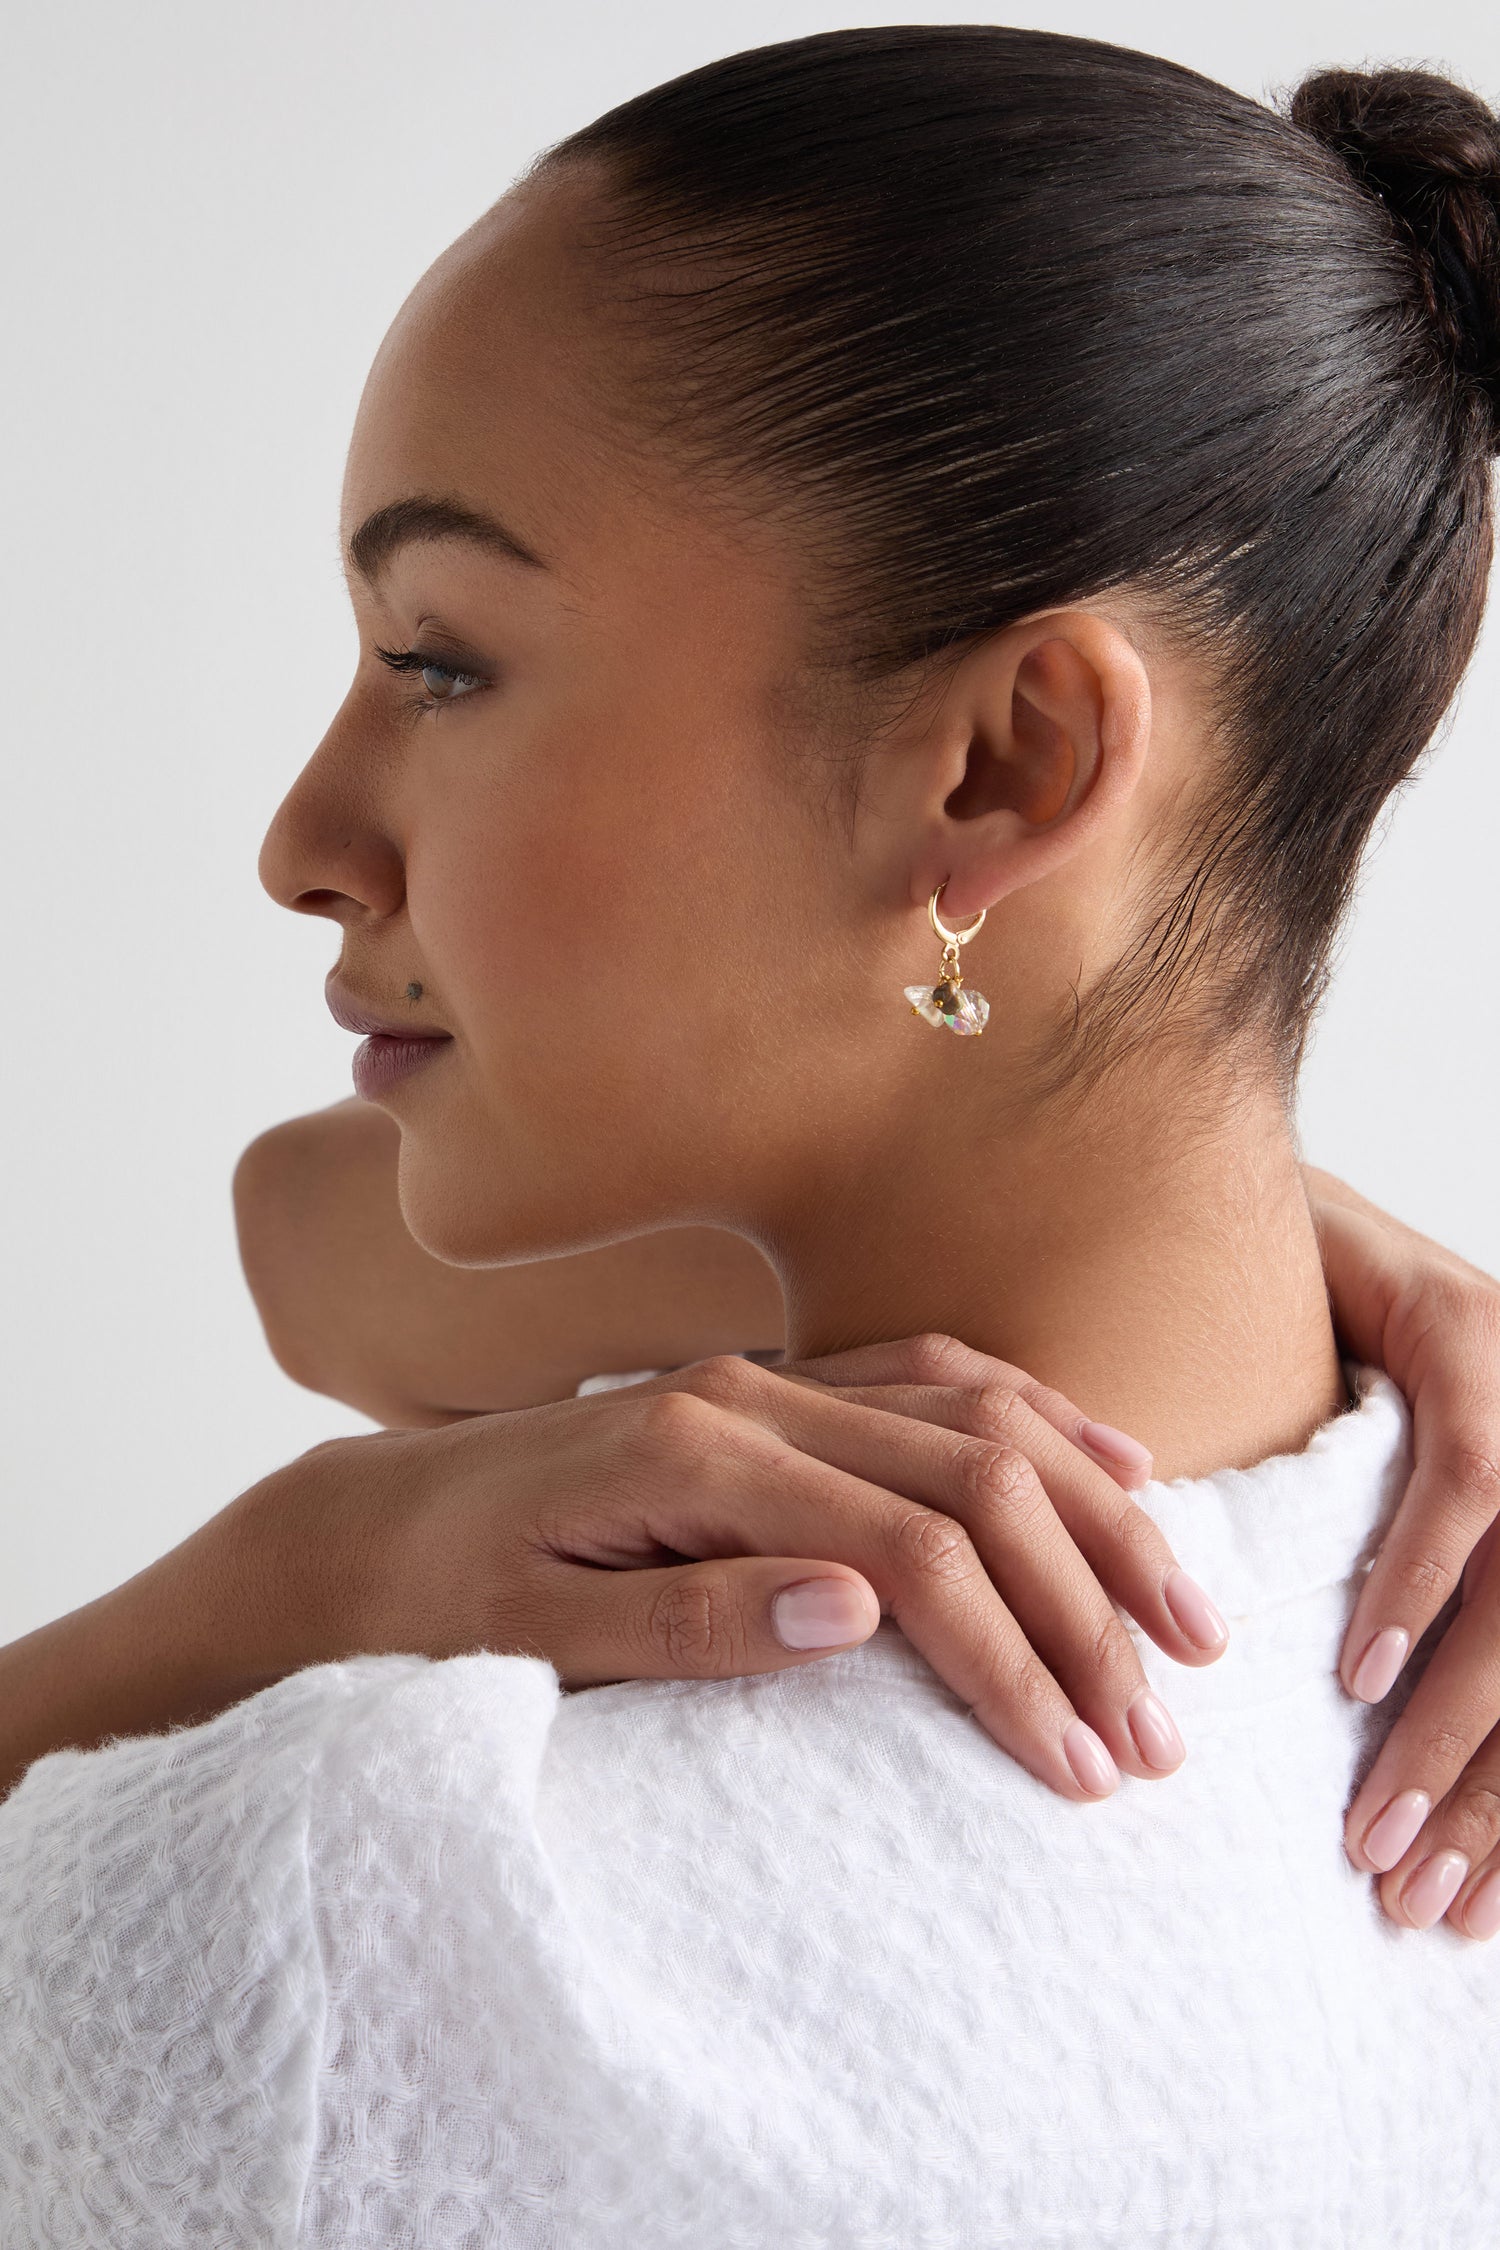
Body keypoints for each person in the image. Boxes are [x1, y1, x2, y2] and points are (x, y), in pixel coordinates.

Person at [3, 24, 1500, 2244]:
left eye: (441, 660)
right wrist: (1304, 1231)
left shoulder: (350, 1922)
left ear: (1001, 767)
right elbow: (302, 1236)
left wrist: (283, 1582)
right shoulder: (1371, 1633)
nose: (302, 842)